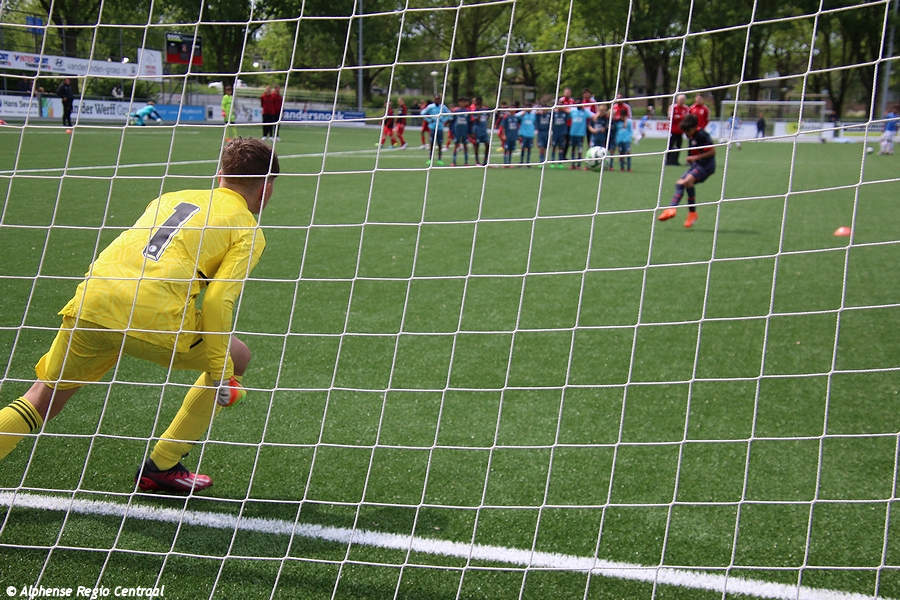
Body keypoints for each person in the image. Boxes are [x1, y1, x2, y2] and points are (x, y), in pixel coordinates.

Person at [0, 138, 280, 493]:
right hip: (154, 318)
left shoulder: (171, 197)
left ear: (220, 175)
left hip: (94, 302)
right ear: (266, 188)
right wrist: (222, 374)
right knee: (237, 356)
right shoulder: (248, 229)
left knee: (42, 397)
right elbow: (216, 302)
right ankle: (163, 464)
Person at [657, 113, 714, 229]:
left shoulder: (702, 135)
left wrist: (695, 157)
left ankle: (676, 210)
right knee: (680, 184)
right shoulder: (691, 136)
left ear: (694, 127)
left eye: (687, 131)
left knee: (686, 182)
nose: (686, 134)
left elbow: (712, 152)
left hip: (706, 166)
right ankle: (687, 213)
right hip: (697, 165)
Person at [421, 95, 450, 166]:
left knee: (440, 143)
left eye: (438, 99)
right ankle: (430, 159)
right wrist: (429, 120)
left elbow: (449, 114)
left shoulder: (443, 107)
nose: (437, 100)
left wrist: (444, 120)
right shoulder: (430, 107)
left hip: (440, 128)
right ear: (434, 100)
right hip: (432, 128)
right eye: (436, 99)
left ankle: (439, 159)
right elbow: (422, 113)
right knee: (431, 143)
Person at [588, 104, 613, 170]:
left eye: (603, 110)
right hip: (594, 137)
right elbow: (590, 125)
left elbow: (607, 126)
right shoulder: (594, 118)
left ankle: (605, 165)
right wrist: (592, 130)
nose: (602, 112)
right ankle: (589, 164)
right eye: (601, 110)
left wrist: (604, 128)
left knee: (602, 152)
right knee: (592, 151)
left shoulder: (606, 118)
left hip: (602, 137)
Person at [666, 94, 689, 165]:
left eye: (683, 100)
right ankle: (668, 160)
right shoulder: (673, 107)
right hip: (672, 131)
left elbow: (687, 118)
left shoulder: (686, 108)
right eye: (680, 99)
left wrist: (678, 117)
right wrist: (681, 117)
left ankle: (676, 161)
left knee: (679, 146)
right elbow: (670, 117)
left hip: (681, 131)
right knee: (670, 146)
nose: (682, 101)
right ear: (677, 100)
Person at [469, 97, 491, 165]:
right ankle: (477, 162)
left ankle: (485, 161)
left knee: (487, 145)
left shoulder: (485, 109)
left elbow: (488, 115)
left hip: (484, 130)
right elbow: (474, 119)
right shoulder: (475, 110)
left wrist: (486, 117)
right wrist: (478, 115)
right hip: (477, 130)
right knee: (476, 145)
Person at [567, 104, 589, 169]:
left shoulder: (585, 112)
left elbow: (593, 116)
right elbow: (567, 112)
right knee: (573, 149)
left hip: (581, 134)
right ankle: (573, 164)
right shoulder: (573, 112)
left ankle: (579, 165)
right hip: (573, 133)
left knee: (580, 149)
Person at [450, 97, 471, 166]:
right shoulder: (456, 111)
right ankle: (454, 162)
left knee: (465, 146)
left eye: (464, 102)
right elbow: (452, 121)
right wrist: (452, 131)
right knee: (456, 145)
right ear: (459, 103)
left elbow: (469, 122)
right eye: (461, 102)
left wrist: (470, 132)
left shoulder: (468, 111)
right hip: (457, 131)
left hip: (465, 131)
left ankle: (466, 162)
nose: (462, 103)